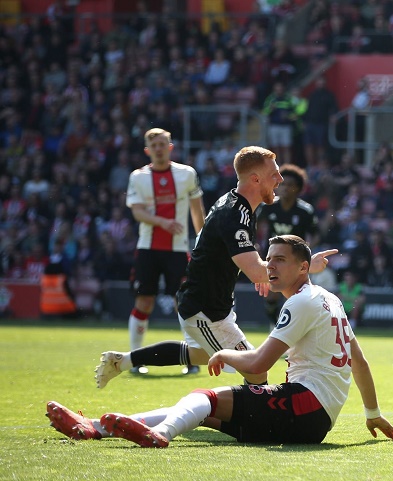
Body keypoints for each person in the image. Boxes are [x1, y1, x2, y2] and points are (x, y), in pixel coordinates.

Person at [47, 235, 393, 447]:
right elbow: (360, 362)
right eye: (268, 258)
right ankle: (94, 428)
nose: (270, 266)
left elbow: (259, 364)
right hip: (312, 416)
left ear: (303, 267)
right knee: (198, 411)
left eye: (279, 260)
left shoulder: (301, 301)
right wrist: (373, 415)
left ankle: (162, 435)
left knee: (202, 396)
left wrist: (225, 354)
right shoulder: (329, 299)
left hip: (305, 405)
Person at [96, 147, 337, 389]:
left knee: (198, 354)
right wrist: (305, 268)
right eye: (274, 174)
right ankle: (249, 423)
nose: (281, 180)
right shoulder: (234, 214)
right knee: (256, 367)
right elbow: (254, 270)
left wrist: (260, 269)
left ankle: (123, 361)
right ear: (256, 179)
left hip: (207, 305)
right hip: (206, 312)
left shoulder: (237, 204)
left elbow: (239, 258)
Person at [125, 128, 206, 376]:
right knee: (144, 301)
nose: (159, 148)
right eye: (154, 145)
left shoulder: (186, 174)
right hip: (147, 249)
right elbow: (137, 212)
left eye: (163, 144)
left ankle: (191, 360)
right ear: (147, 150)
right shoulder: (138, 177)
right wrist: (163, 222)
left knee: (183, 303)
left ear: (170, 147)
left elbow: (196, 209)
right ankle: (135, 360)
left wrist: (203, 240)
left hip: (178, 249)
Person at [256, 164, 318, 327]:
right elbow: (254, 227)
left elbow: (315, 233)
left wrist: (307, 250)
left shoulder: (305, 211)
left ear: (298, 188)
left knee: (294, 297)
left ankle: (294, 330)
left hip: (295, 261)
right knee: (271, 297)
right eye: (282, 184)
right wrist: (254, 245)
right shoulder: (268, 206)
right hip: (273, 258)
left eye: (290, 185)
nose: (285, 188)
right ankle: (274, 326)